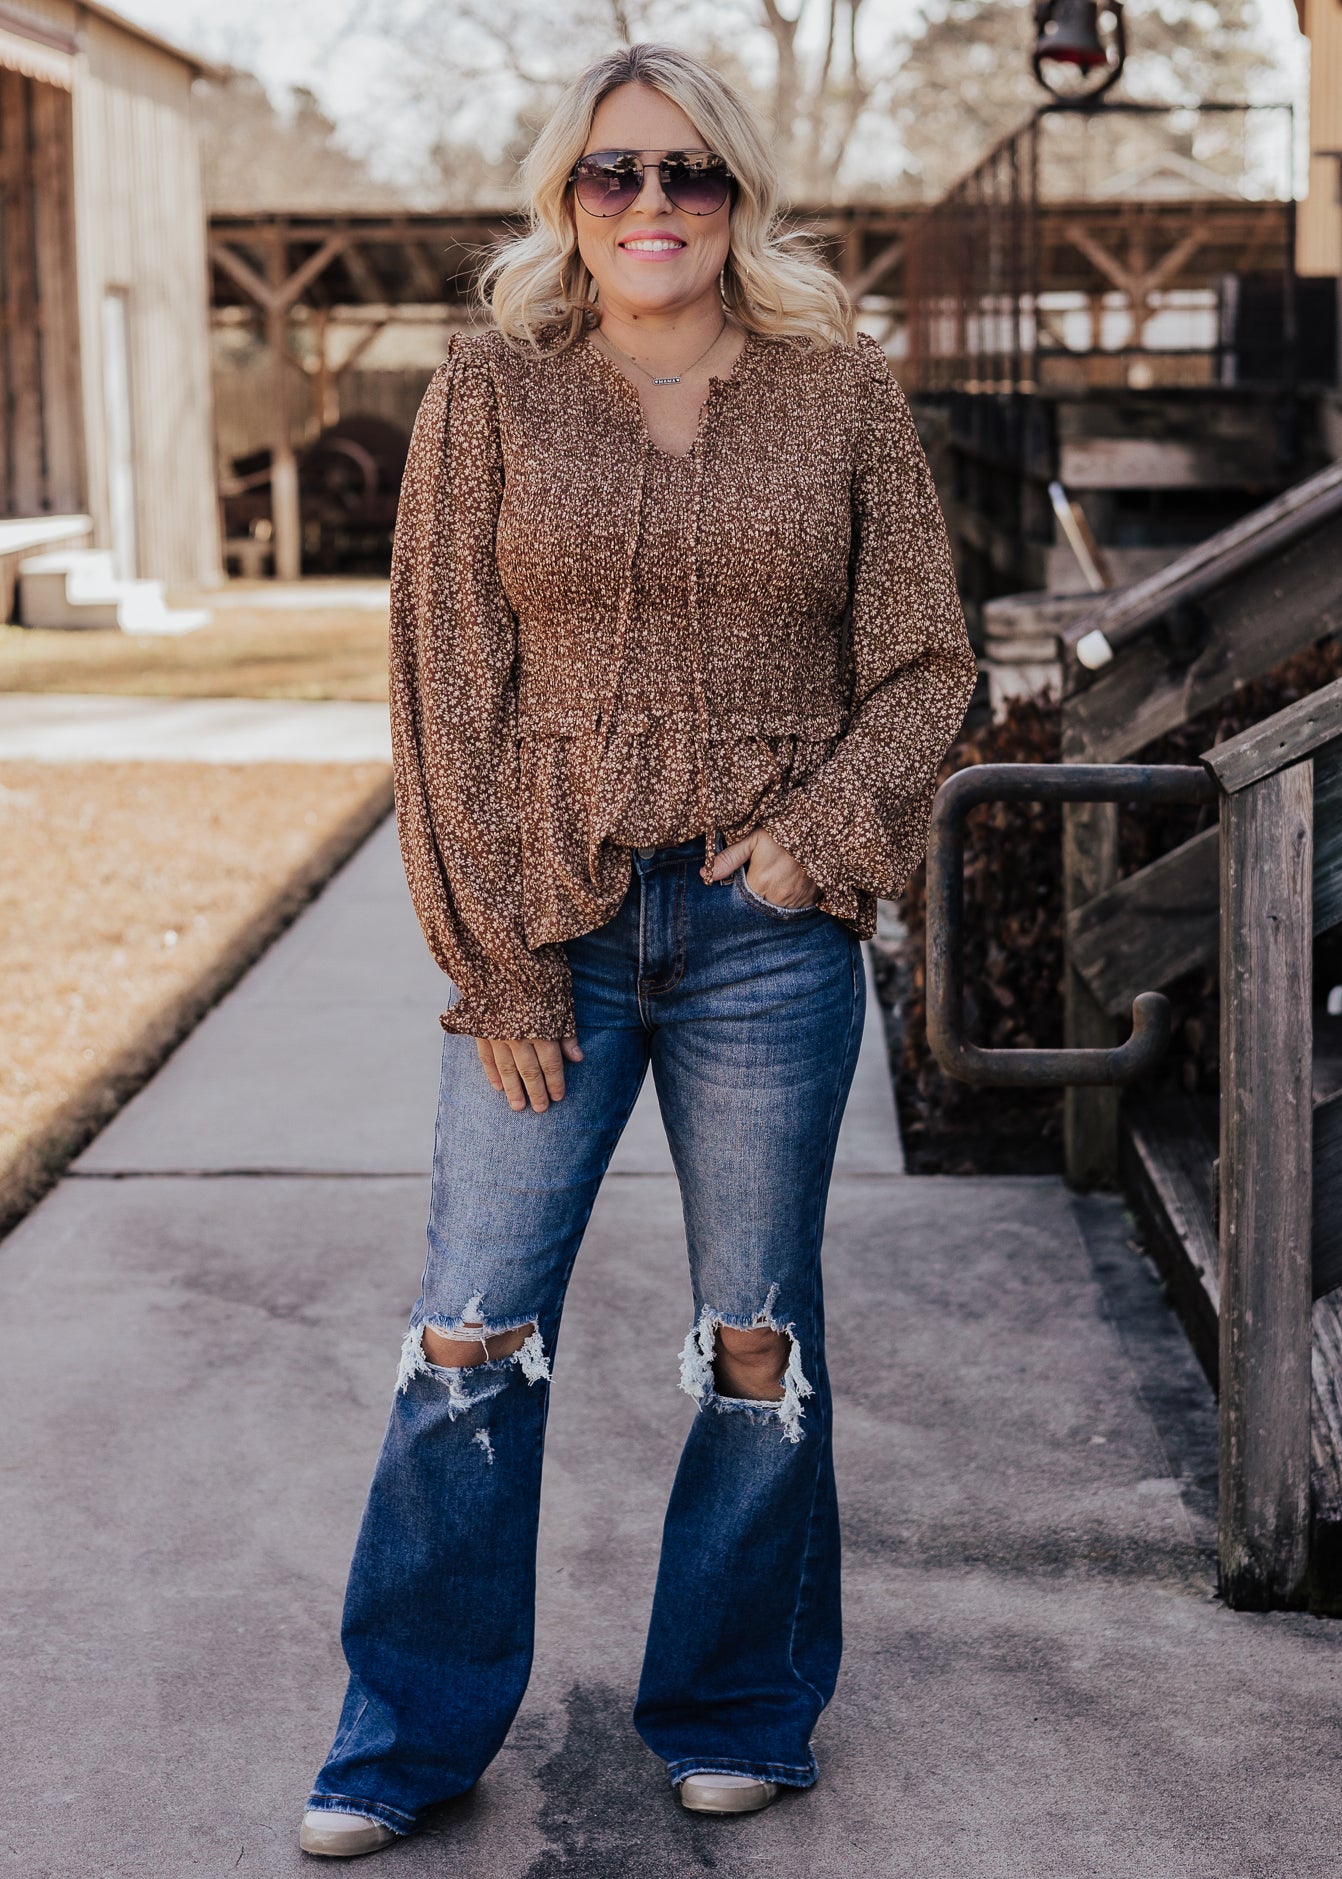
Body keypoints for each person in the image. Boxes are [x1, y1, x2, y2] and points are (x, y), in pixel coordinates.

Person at [300, 40, 976, 1859]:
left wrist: (815, 849)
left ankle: (738, 1705)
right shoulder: (486, 396)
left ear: (738, 196)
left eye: (689, 173)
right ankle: (405, 1740)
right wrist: (496, 965)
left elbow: (924, 663)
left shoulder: (843, 398)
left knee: (753, 1333)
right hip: (553, 926)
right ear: (563, 200)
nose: (653, 205)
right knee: (470, 1326)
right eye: (614, 175)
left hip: (763, 940)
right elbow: (440, 693)